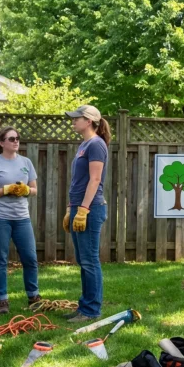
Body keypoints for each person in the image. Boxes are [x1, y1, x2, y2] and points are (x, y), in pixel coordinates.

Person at [0, 126, 40, 314]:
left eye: (17, 138)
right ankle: (2, 300)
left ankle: (33, 296)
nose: (16, 141)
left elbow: (35, 189)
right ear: (1, 142)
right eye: (11, 138)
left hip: (22, 217)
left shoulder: (26, 162)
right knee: (1, 259)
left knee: (30, 258)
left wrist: (26, 191)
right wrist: (6, 189)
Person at [64, 105, 110, 323]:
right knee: (83, 259)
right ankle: (85, 306)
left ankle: (92, 310)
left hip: (90, 208)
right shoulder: (84, 145)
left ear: (89, 121)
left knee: (90, 260)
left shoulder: (96, 145)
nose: (73, 122)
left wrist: (83, 210)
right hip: (79, 207)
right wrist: (70, 208)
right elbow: (77, 182)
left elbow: (94, 179)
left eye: (77, 118)